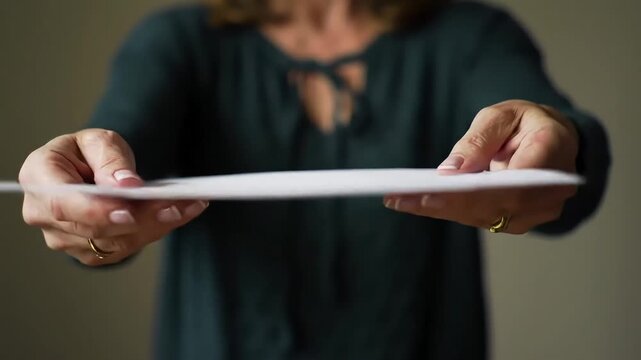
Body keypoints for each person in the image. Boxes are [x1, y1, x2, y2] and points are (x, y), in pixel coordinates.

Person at [18, 0, 610, 359]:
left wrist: (557, 140)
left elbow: (555, 143)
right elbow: (116, 145)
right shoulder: (177, 43)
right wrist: (86, 193)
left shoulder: (471, 36)